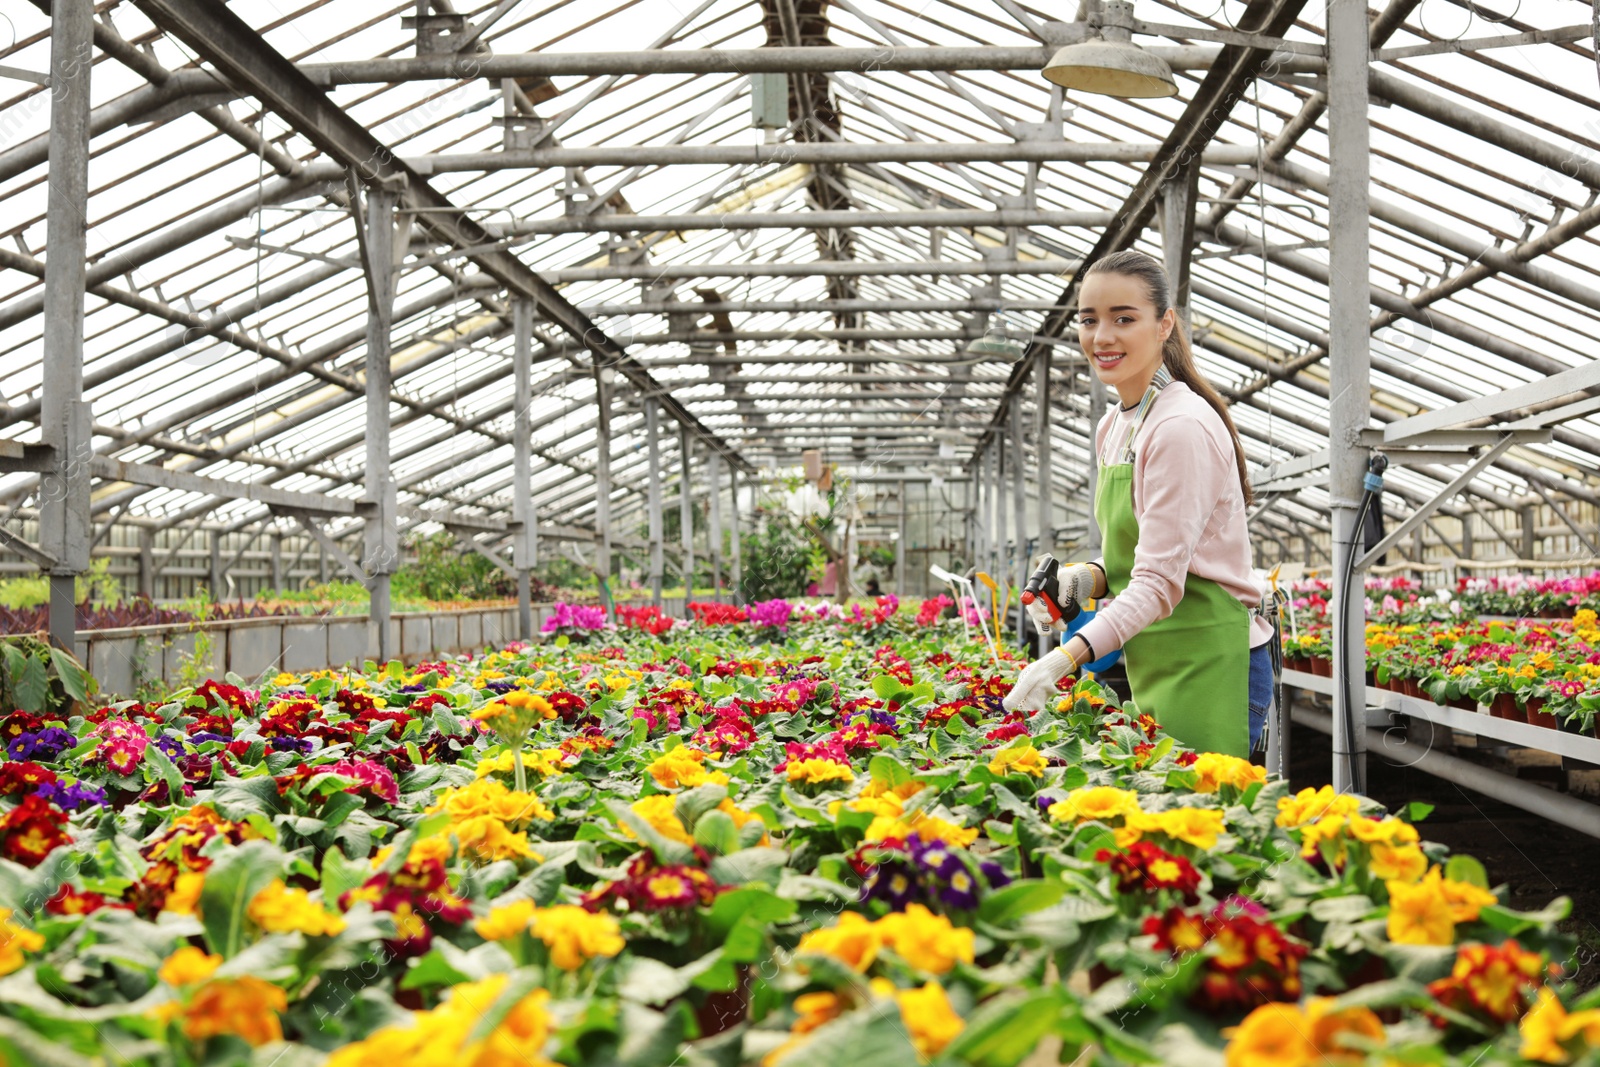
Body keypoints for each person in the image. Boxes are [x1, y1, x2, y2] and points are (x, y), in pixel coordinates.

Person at [1003, 250, 1273, 758]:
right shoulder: (1117, 426)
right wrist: (1082, 580)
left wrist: (1059, 661)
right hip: (1157, 659)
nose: (1102, 337)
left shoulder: (1179, 427)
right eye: (1089, 320)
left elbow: (1157, 582)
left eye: (1123, 319)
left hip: (1210, 661)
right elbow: (1139, 558)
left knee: (1209, 826)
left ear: (1164, 324)